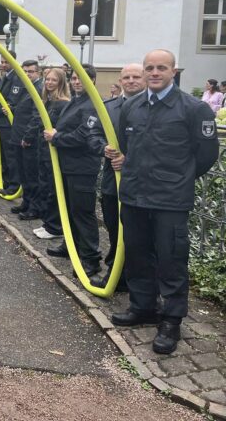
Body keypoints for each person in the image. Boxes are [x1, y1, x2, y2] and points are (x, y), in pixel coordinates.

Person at [109, 49, 219, 354]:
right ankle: (143, 306)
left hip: (170, 200)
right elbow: (125, 144)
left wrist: (180, 179)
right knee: (138, 254)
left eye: (161, 68)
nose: (154, 73)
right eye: (149, 68)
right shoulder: (132, 107)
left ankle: (171, 320)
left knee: (171, 260)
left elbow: (207, 155)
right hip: (134, 196)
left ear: (173, 71)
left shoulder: (194, 109)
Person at [87, 63, 145, 288]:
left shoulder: (151, 108)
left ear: (145, 79)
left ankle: (138, 280)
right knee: (113, 226)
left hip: (141, 183)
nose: (131, 81)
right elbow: (93, 134)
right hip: (113, 182)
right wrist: (103, 147)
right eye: (126, 77)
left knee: (138, 233)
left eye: (136, 77)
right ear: (120, 81)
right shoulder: (108, 107)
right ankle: (117, 274)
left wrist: (128, 159)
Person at [43, 64, 103, 277]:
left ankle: (91, 260)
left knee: (83, 213)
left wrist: (56, 137)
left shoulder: (93, 104)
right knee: (69, 210)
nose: (77, 82)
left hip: (82, 167)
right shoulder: (76, 101)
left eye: (83, 78)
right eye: (75, 78)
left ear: (93, 80)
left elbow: (83, 136)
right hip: (67, 165)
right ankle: (70, 247)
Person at [28, 67, 70, 240]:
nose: (49, 83)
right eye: (48, 79)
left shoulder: (63, 103)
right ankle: (47, 223)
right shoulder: (48, 101)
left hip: (53, 151)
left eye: (54, 80)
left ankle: (54, 226)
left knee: (53, 189)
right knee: (44, 186)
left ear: (61, 82)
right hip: (44, 149)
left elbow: (62, 127)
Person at [9, 60, 43, 220]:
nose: (27, 74)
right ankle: (26, 202)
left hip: (28, 140)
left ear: (38, 73)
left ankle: (34, 208)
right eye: (25, 71)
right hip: (19, 137)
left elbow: (37, 116)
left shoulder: (38, 89)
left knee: (31, 175)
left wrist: (28, 137)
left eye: (31, 71)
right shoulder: (26, 87)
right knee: (23, 173)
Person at [0, 52, 21, 194]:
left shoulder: (17, 78)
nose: (3, 65)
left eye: (6, 62)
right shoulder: (4, 78)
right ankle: (5, 181)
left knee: (11, 155)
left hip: (9, 124)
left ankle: (14, 185)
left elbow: (10, 103)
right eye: (2, 62)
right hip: (2, 122)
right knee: (3, 154)